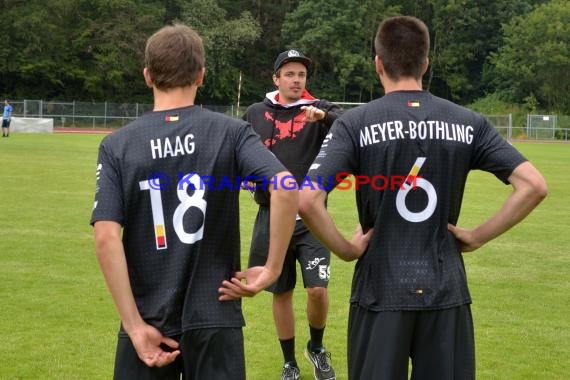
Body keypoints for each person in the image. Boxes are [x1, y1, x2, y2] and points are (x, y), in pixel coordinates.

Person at [298, 16, 547, 380]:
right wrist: (477, 236)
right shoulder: (468, 121)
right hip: (445, 289)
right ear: (426, 64)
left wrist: (346, 249)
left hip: (379, 291)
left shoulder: (355, 123)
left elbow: (306, 200)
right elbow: (533, 185)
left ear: (378, 63)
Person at [91, 24, 298, 380]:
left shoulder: (118, 144)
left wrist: (134, 326)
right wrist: (272, 268)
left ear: (147, 76)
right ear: (201, 75)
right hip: (215, 312)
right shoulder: (230, 132)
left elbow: (106, 236)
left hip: (149, 317)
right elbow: (285, 185)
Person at [242, 49, 342, 380]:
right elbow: (241, 152)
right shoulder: (256, 113)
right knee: (280, 290)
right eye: (289, 74)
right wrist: (245, 177)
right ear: (276, 79)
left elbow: (350, 128)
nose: (296, 79)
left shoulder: (320, 108)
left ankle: (316, 347)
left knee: (317, 289)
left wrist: (322, 118)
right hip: (272, 217)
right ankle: (289, 362)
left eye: (301, 74)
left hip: (312, 218)